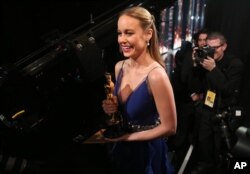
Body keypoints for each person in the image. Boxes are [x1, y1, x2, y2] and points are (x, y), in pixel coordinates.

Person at [102, 6, 177, 174]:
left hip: (148, 154)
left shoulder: (156, 76)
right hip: (122, 150)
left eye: (129, 33)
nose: (122, 39)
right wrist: (111, 110)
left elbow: (170, 127)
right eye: (119, 33)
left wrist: (128, 137)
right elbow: (120, 115)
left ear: (148, 34)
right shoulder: (119, 67)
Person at [189, 32, 244, 174]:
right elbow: (197, 86)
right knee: (204, 140)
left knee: (223, 146)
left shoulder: (234, 64)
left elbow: (227, 90)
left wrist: (213, 69)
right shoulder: (206, 60)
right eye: (209, 47)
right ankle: (206, 164)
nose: (213, 51)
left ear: (224, 46)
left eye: (216, 47)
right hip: (208, 107)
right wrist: (195, 64)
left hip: (226, 111)